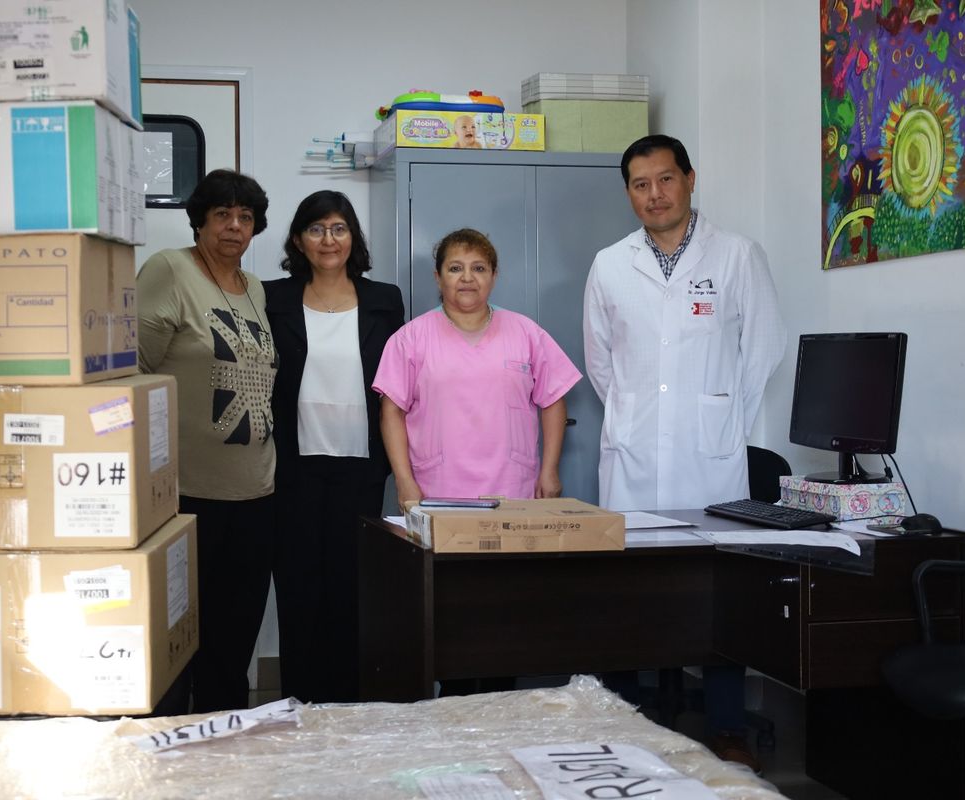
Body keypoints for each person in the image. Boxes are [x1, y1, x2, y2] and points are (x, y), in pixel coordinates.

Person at [582, 134, 787, 770]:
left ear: (690, 180)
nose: (655, 194)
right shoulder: (609, 265)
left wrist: (720, 415)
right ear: (628, 193)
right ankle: (621, 718)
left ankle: (727, 726)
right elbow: (600, 361)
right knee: (629, 591)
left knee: (717, 593)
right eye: (641, 185)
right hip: (634, 454)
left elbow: (765, 347)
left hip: (710, 457)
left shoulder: (736, 256)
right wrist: (638, 416)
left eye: (665, 179)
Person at [136, 169, 278, 714]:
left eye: (245, 217)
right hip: (186, 496)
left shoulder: (255, 289)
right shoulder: (169, 270)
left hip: (256, 495)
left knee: (233, 643)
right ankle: (172, 747)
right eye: (222, 214)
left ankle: (227, 742)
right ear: (199, 220)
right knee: (177, 644)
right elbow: (131, 372)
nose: (234, 226)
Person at [264, 191, 404, 704]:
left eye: (339, 228)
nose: (329, 239)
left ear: (353, 238)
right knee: (298, 586)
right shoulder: (272, 298)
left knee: (352, 587)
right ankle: (299, 701)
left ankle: (347, 702)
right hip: (293, 465)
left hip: (361, 466)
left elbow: (396, 383)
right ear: (298, 239)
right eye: (317, 228)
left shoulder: (384, 299)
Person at [374, 228, 581, 510]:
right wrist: (403, 479)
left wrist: (550, 469)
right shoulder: (409, 339)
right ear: (437, 277)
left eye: (479, 268)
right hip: (437, 487)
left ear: (494, 276)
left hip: (513, 486)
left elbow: (554, 399)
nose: (467, 278)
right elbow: (391, 412)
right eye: (455, 268)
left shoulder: (526, 332)